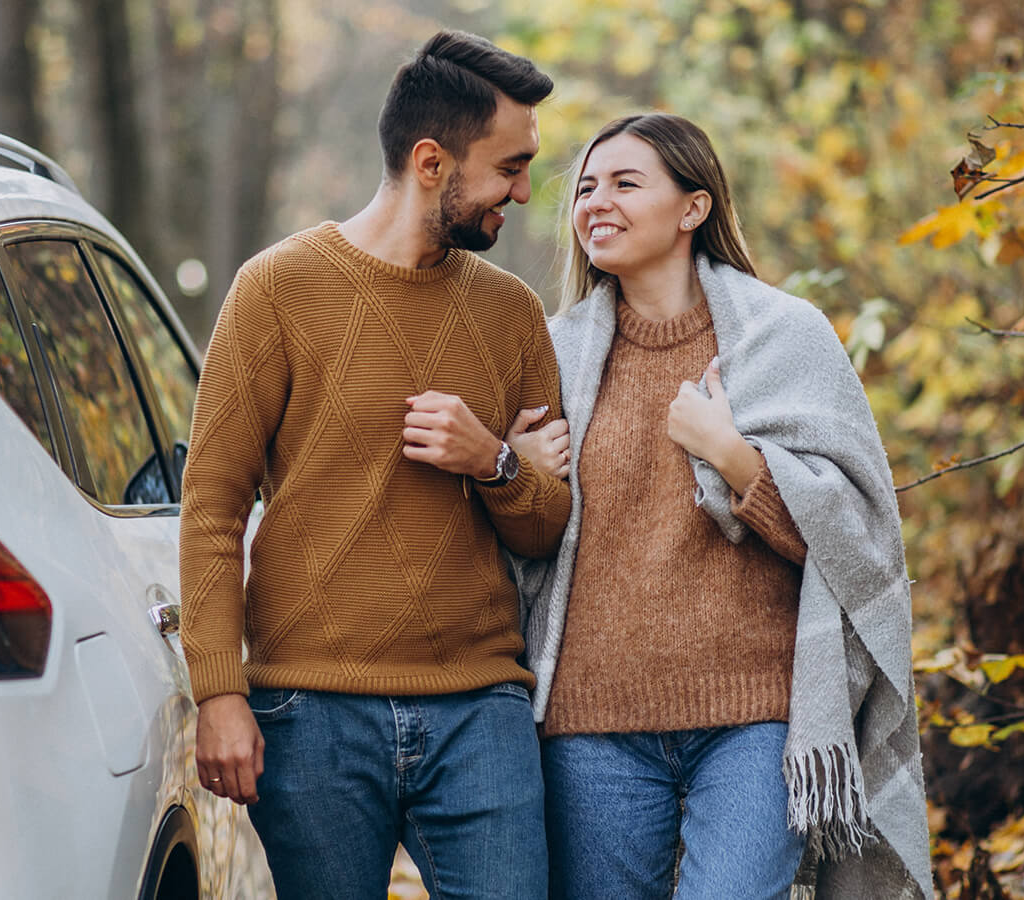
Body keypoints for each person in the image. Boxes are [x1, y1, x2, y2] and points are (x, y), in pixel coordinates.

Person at [177, 30, 572, 900]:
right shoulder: (274, 289)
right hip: (309, 711)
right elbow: (210, 504)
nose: (525, 190)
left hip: (480, 708)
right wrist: (219, 694)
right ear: (433, 161)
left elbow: (547, 525)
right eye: (510, 166)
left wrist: (493, 460)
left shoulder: (513, 315)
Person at [507, 113, 932, 899]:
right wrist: (516, 469)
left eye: (626, 184)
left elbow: (858, 546)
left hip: (755, 722)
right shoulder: (549, 352)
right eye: (586, 188)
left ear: (693, 208)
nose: (596, 202)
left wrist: (734, 457)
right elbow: (520, 538)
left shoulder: (788, 339)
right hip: (591, 727)